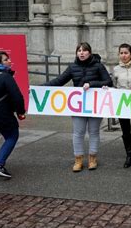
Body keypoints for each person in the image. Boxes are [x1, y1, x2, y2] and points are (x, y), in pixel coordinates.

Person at [45, 42, 112, 172]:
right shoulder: (72, 67)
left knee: (93, 131)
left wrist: (91, 84)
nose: (81, 53)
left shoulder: (98, 66)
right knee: (78, 133)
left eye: (84, 50)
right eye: (79, 50)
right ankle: (78, 160)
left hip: (95, 105)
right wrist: (39, 88)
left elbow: (108, 82)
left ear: (90, 53)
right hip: (78, 105)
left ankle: (92, 158)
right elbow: (58, 81)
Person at [0, 51, 26, 178]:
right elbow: (17, 97)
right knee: (12, 135)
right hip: (2, 114)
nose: (9, 61)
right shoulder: (5, 77)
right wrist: (21, 111)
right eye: (6, 59)